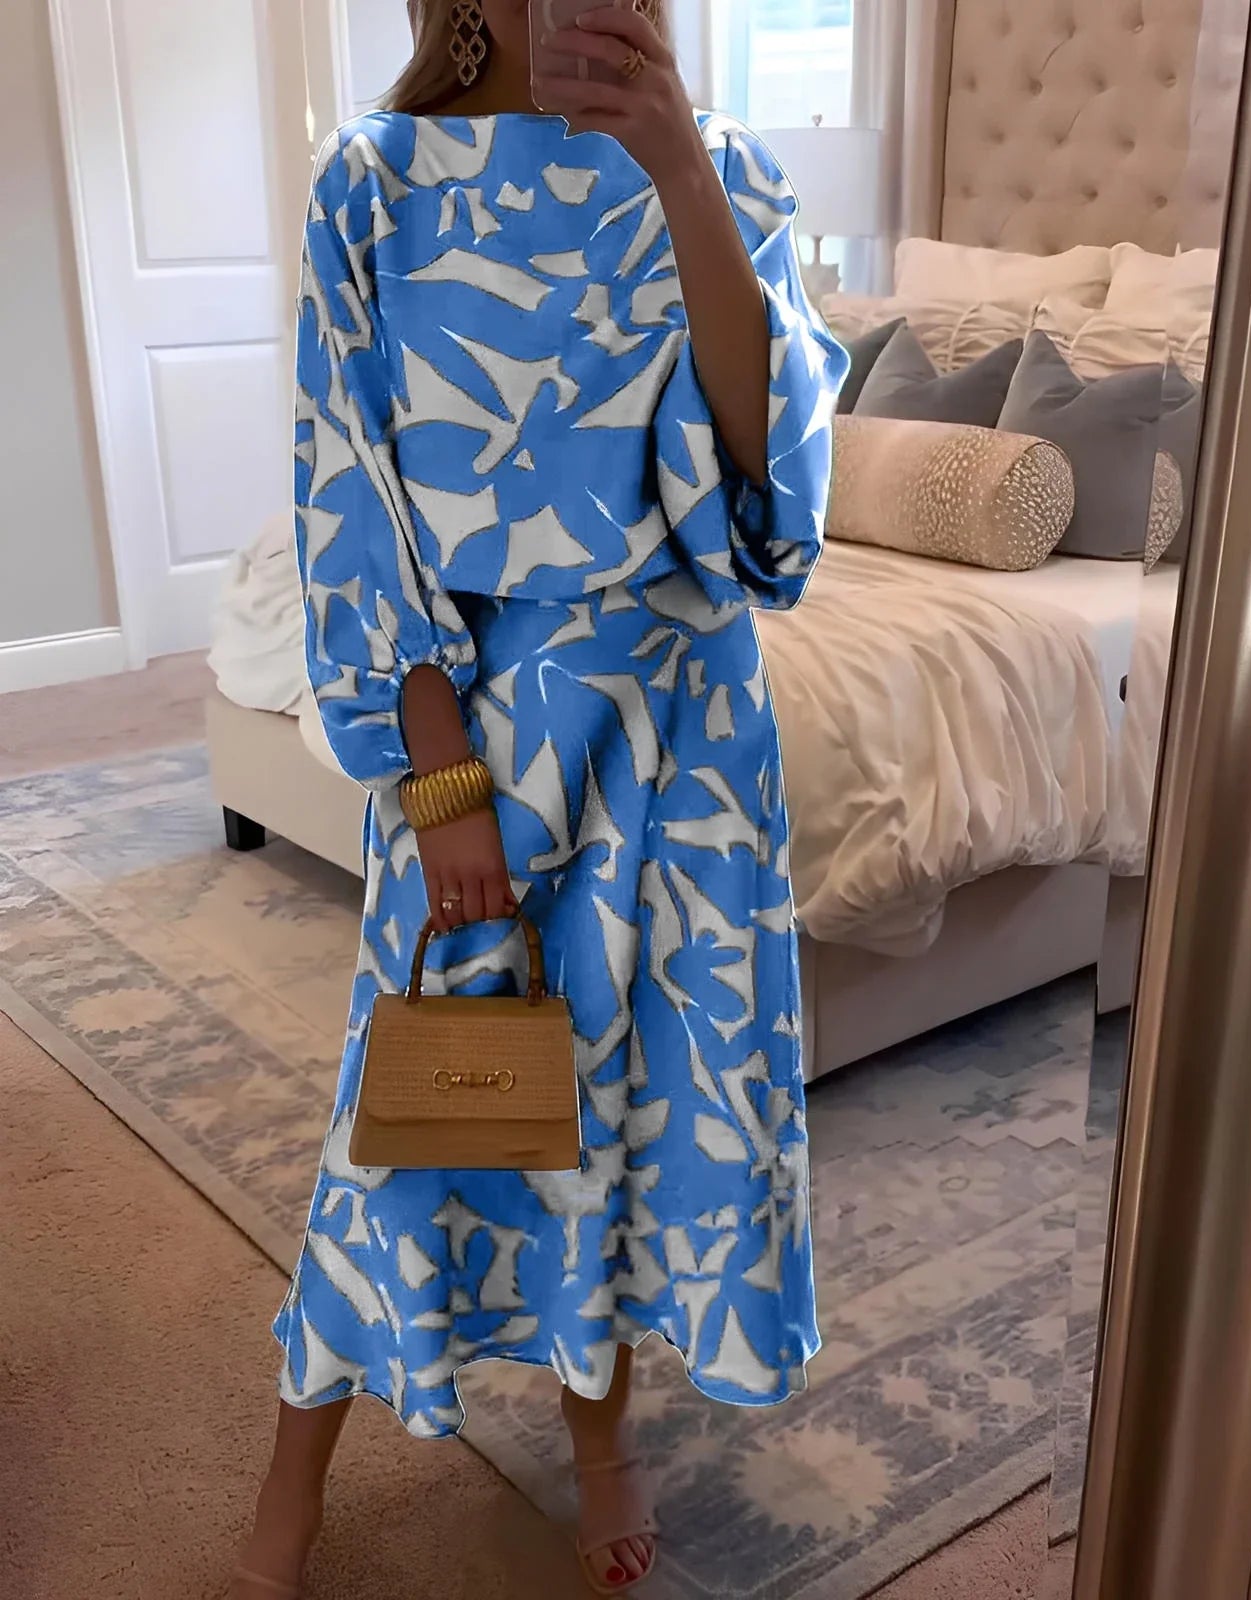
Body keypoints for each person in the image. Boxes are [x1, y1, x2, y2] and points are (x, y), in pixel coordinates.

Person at [232, 0, 850, 1594]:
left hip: (689, 741)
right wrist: (438, 774)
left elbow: (774, 492)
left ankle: (604, 1445)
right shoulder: (376, 178)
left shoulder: (722, 168)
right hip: (485, 732)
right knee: (408, 1117)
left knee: (628, 1114)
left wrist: (679, 168)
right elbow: (343, 478)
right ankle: (289, 1487)